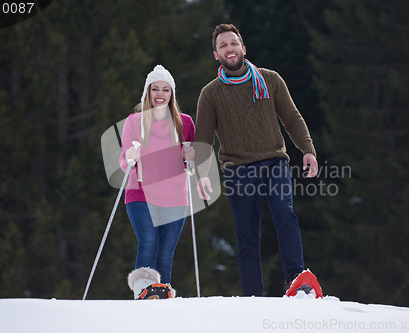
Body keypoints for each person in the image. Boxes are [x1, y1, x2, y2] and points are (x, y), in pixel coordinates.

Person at [194, 24, 320, 297]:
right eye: (223, 45)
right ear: (216, 54)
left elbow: (292, 117)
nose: (230, 48)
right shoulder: (211, 94)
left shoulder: (270, 79)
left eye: (233, 43)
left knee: (285, 214)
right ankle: (253, 298)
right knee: (248, 238)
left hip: (274, 161)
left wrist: (307, 149)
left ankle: (297, 282)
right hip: (237, 169)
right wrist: (202, 173)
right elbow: (203, 140)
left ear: (243, 48)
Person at [119, 65, 195, 297]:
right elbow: (124, 161)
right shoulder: (134, 122)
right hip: (141, 191)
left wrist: (191, 157)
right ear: (147, 93)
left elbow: (191, 162)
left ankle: (161, 299)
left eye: (166, 90)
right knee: (149, 241)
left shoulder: (185, 123)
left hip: (174, 195)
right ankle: (144, 290)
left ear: (172, 94)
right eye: (155, 89)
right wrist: (130, 158)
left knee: (165, 256)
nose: (160, 94)